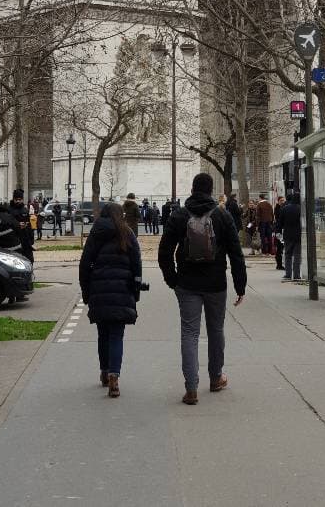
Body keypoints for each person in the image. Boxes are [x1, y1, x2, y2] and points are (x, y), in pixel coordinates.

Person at [158, 172, 247, 406]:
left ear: (192, 189)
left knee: (189, 334)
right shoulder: (222, 215)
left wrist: (172, 280)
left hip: (187, 283)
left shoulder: (179, 215)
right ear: (210, 190)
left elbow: (164, 251)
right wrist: (240, 285)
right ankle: (216, 377)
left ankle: (191, 388)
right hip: (216, 283)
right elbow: (236, 253)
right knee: (216, 330)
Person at [79, 202, 143, 398]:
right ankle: (115, 376)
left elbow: (84, 265)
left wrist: (86, 291)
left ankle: (105, 371)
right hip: (122, 291)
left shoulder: (95, 233)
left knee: (102, 334)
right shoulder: (127, 233)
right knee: (116, 335)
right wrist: (136, 290)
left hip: (99, 290)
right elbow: (137, 265)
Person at [280, 193, 302, 280]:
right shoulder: (301, 209)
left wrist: (279, 231)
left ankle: (288, 274)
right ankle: (296, 275)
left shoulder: (285, 209)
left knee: (288, 254)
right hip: (298, 235)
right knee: (297, 255)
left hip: (288, 235)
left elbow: (280, 222)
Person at [9, 188, 33, 263]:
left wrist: (31, 240)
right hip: (14, 240)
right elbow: (7, 224)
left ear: (22, 199)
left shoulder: (25, 210)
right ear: (13, 199)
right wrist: (17, 225)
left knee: (29, 260)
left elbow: (29, 226)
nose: (18, 201)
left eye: (20, 199)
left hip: (25, 240)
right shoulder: (9, 210)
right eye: (16, 199)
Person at [273, 195, 286, 270]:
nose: (282, 202)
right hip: (279, 231)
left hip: (281, 230)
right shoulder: (278, 209)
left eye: (283, 200)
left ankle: (280, 264)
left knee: (281, 248)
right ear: (278, 201)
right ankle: (279, 264)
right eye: (281, 200)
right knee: (279, 248)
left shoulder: (283, 208)